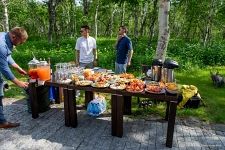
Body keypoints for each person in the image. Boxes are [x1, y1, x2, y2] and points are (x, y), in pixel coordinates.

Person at [0, 27, 29, 128]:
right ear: (13, 36)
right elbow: (4, 68)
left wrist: (18, 67)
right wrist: (18, 82)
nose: (21, 44)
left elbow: (7, 56)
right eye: (20, 42)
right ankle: (2, 122)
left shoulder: (5, 36)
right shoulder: (1, 45)